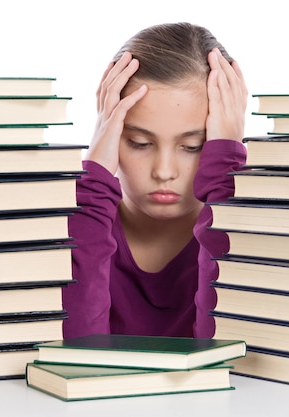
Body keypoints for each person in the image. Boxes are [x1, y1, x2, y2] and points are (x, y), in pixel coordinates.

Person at [62, 22, 248, 339]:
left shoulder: (256, 234)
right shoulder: (78, 223)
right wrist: (94, 183)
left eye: (193, 147)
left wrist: (226, 178)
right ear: (110, 129)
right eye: (139, 142)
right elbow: (74, 357)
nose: (164, 171)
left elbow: (225, 357)